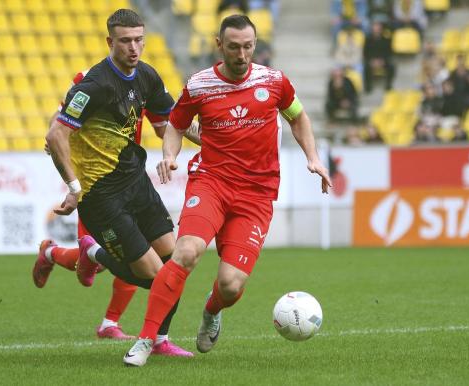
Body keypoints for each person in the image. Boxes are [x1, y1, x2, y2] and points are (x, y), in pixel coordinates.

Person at [123, 14, 331, 367]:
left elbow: (297, 117)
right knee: (186, 252)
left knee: (231, 284)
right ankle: (146, 339)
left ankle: (212, 311)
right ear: (219, 46)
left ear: (255, 44)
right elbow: (175, 123)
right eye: (234, 47)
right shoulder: (201, 85)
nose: (242, 54)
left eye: (248, 46)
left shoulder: (275, 82)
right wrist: (170, 156)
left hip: (256, 193)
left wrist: (313, 158)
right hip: (211, 182)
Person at [40, 8, 200, 357]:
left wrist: (217, 142)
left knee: (176, 263)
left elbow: (169, 123)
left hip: (136, 182)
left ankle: (160, 342)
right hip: (101, 194)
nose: (134, 47)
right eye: (125, 41)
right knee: (158, 277)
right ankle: (93, 251)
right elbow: (55, 135)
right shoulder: (94, 85)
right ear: (110, 41)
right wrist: (73, 187)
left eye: (139, 40)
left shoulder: (146, 76)